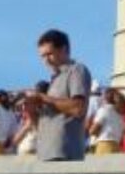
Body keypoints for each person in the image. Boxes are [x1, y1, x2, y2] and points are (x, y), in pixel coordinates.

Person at [25, 29, 92, 162]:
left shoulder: (76, 70)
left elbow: (78, 108)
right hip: (46, 154)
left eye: (49, 54)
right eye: (42, 56)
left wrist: (43, 98)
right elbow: (40, 127)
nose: (46, 60)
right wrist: (31, 109)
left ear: (63, 49)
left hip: (65, 154)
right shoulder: (53, 81)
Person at [90, 88, 125, 155]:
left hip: (104, 146)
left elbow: (93, 130)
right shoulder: (120, 115)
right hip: (116, 147)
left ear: (105, 98)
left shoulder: (104, 110)